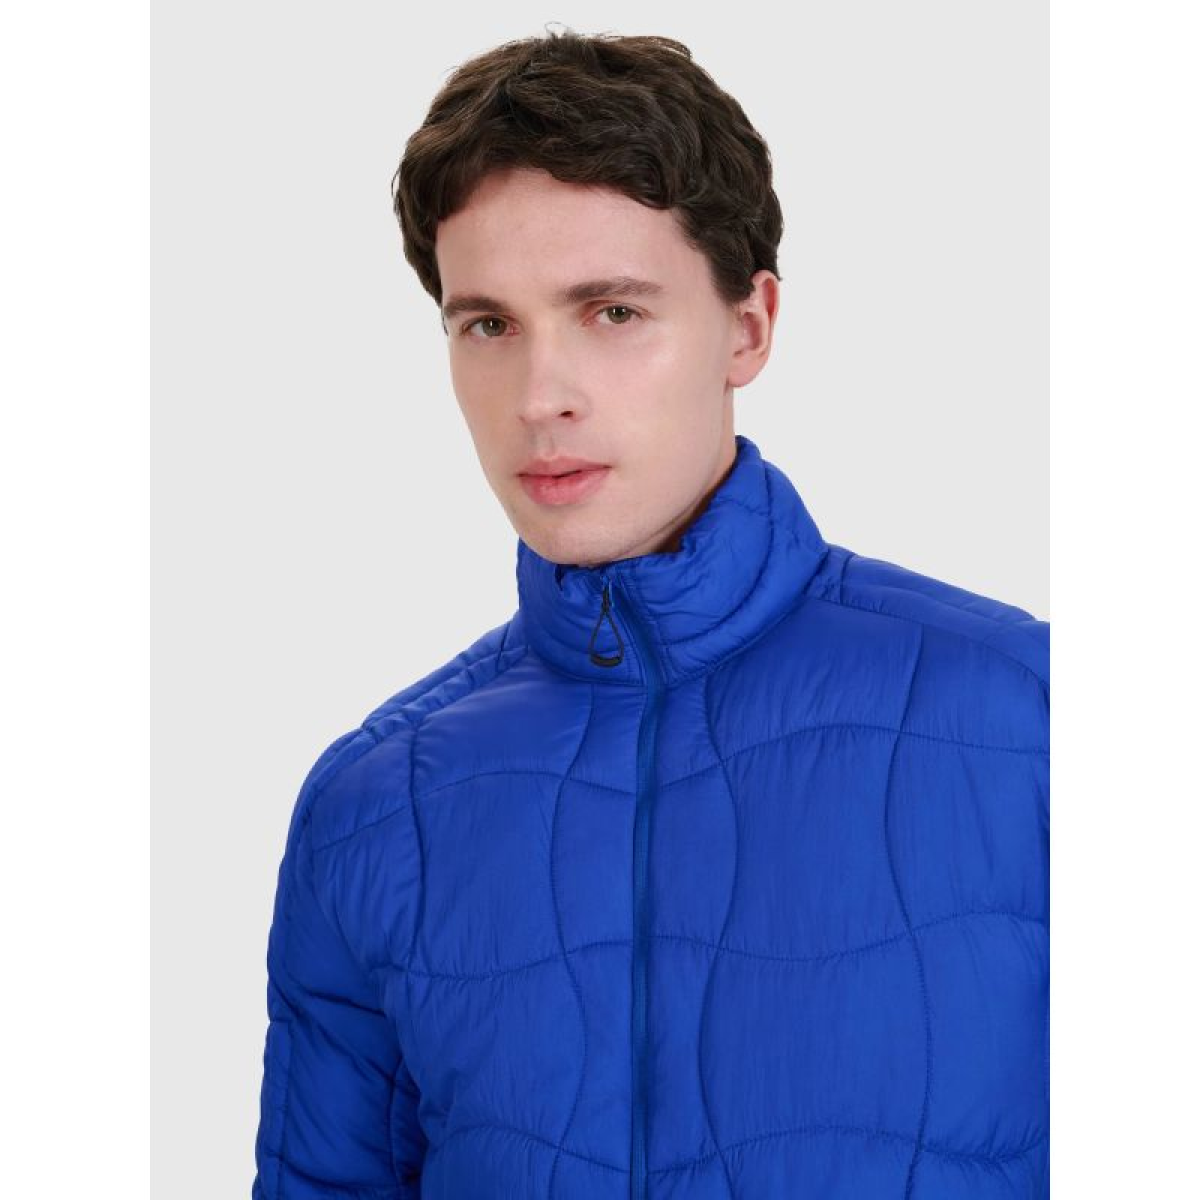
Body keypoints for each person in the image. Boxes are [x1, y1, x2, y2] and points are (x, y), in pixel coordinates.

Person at [251, 27, 1049, 1200]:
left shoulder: (1034, 720)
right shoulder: (374, 808)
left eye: (612, 313)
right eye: (489, 325)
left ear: (750, 326)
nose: (541, 397)